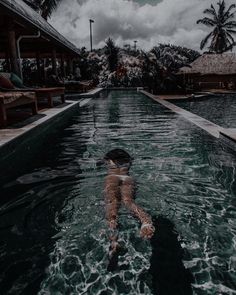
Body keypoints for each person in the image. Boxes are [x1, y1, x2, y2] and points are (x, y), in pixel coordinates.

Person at [103, 149, 155, 263]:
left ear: (110, 160)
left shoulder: (109, 162)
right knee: (128, 201)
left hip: (112, 178)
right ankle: (146, 221)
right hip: (128, 178)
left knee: (113, 204)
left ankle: (113, 241)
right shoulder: (128, 161)